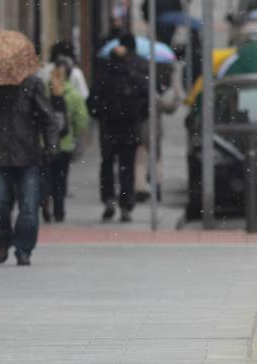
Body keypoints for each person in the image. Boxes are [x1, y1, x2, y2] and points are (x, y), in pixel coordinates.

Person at [0, 76, 64, 266]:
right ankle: (4, 241)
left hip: (28, 157)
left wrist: (52, 146)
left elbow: (48, 119)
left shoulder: (33, 85)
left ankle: (24, 249)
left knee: (29, 209)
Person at [87, 33, 149, 222]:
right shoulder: (136, 72)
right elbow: (145, 101)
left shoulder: (103, 75)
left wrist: (100, 116)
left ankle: (108, 200)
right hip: (130, 127)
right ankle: (126, 204)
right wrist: (139, 118)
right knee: (127, 167)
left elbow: (91, 102)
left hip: (108, 128)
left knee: (106, 165)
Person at [41, 58, 90, 222]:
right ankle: (59, 210)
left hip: (44, 144)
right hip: (65, 145)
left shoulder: (42, 92)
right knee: (60, 178)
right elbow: (82, 120)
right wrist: (75, 133)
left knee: (45, 176)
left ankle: (44, 200)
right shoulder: (74, 96)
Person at [135, 63, 182, 202]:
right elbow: (169, 109)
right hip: (155, 131)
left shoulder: (137, 93)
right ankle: (157, 185)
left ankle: (140, 187)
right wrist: (177, 97)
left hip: (139, 131)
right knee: (156, 159)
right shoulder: (155, 96)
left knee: (139, 160)